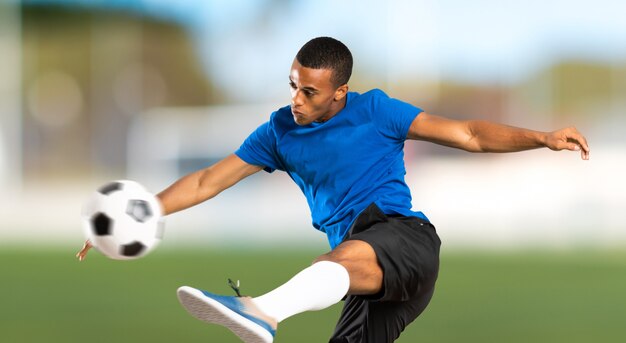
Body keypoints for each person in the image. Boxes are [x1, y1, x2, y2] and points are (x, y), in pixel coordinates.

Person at [77, 37, 590, 343]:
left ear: (339, 91)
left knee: (346, 253)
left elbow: (469, 134)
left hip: (403, 241)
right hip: (363, 279)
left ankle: (260, 311)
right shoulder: (279, 131)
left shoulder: (377, 111)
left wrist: (541, 138)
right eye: (293, 85)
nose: (296, 99)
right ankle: (265, 311)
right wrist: (143, 211)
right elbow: (209, 180)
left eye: (310, 91)